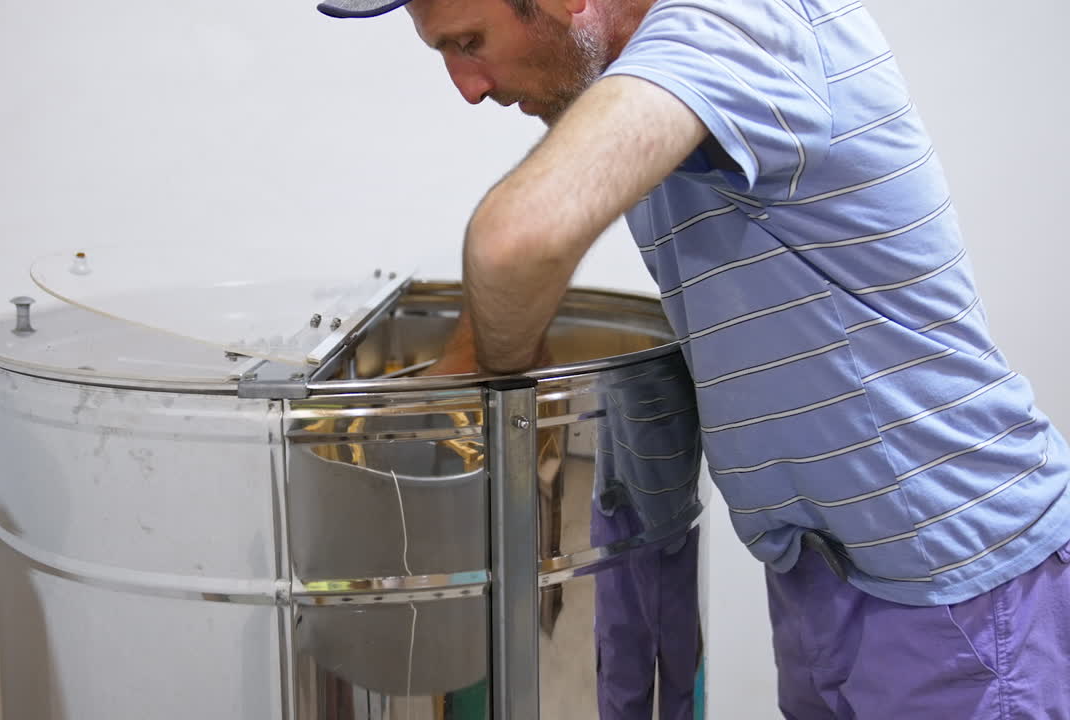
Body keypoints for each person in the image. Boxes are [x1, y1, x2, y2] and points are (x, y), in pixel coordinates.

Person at [317, 0, 1070, 718]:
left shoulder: (737, 21)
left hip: (957, 588)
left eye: (468, 42)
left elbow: (516, 240)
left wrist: (481, 378)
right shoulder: (660, 72)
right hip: (829, 577)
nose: (468, 88)